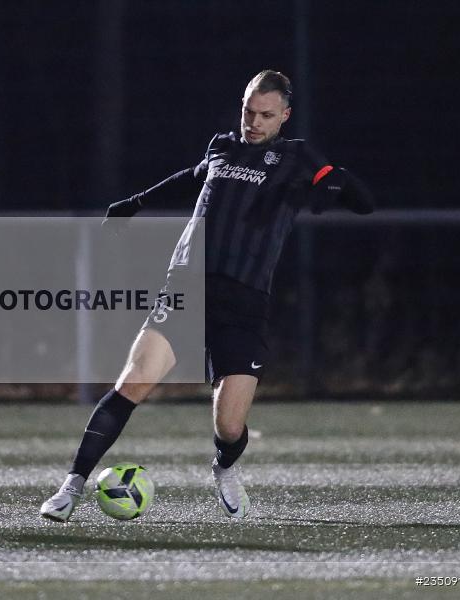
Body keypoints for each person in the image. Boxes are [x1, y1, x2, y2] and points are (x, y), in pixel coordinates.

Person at [41, 70, 373, 522]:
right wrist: (136, 202)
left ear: (285, 116)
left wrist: (337, 184)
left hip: (244, 300)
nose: (253, 122)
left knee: (230, 424)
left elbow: (358, 198)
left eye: (265, 115)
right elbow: (192, 178)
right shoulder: (223, 147)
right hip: (184, 286)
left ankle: (224, 468)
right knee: (132, 382)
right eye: (247, 111)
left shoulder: (296, 157)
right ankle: (71, 485)